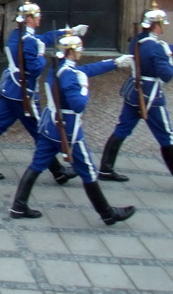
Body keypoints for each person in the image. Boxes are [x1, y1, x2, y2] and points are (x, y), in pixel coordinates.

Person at [9, 32, 135, 225]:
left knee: (37, 164)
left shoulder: (59, 67)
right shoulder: (69, 74)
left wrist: (114, 63)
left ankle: (18, 205)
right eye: (79, 48)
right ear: (72, 51)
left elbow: (85, 70)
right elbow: (78, 104)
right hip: (67, 129)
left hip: (49, 125)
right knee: (89, 171)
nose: (82, 51)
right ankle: (107, 213)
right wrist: (84, 88)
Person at [0, 0, 80, 183]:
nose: (40, 18)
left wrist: (67, 32)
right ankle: (58, 171)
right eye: (37, 16)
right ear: (29, 18)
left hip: (10, 90)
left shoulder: (18, 35)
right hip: (23, 95)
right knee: (40, 131)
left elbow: (43, 38)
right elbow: (36, 67)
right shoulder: (29, 41)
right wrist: (42, 55)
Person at [97, 3, 173, 181]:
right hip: (151, 96)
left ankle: (105, 169)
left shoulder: (138, 41)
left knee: (122, 128)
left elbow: (160, 49)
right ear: (155, 25)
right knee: (166, 136)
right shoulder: (156, 48)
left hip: (134, 92)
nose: (163, 27)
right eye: (161, 23)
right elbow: (166, 74)